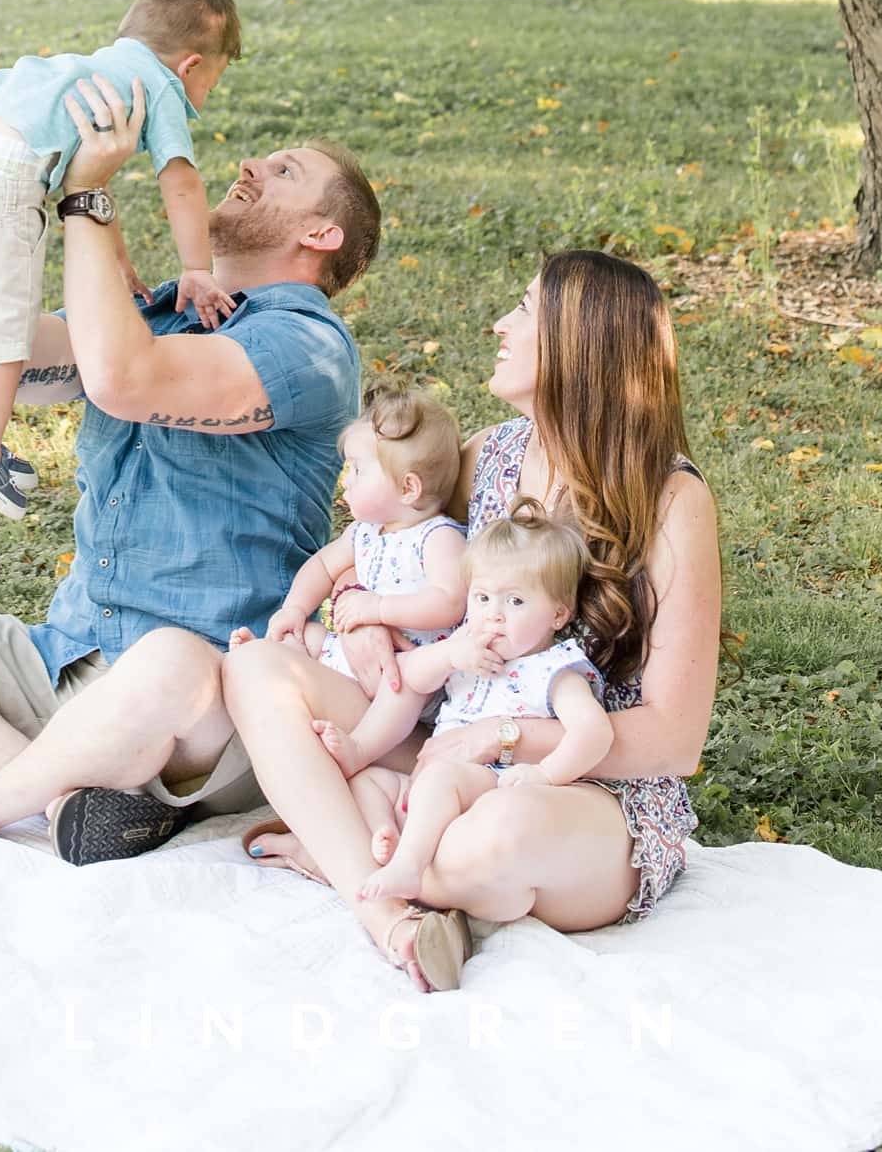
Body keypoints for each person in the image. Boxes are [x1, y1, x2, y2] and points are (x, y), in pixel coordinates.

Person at [0, 80, 382, 863]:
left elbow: (125, 380)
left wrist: (90, 200)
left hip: (199, 700)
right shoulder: (152, 313)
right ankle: (57, 794)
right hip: (67, 656)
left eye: (286, 170)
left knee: (170, 663)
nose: (251, 165)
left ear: (323, 235)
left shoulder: (307, 348)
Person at [222, 247, 720, 991]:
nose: (499, 324)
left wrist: (508, 739)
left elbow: (675, 741)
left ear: (577, 346)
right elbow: (384, 550)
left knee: (487, 844)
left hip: (584, 788)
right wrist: (362, 625)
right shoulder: (488, 456)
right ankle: (391, 912)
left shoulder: (671, 501)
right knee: (256, 665)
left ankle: (347, 855)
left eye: (522, 311)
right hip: (451, 744)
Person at [0, 0, 240, 517]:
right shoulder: (158, 86)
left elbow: (89, 181)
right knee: (4, 318)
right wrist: (196, 267)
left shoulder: (91, 68)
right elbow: (181, 181)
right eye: (212, 82)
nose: (201, 97)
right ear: (190, 65)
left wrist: (118, 262)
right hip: (2, 182)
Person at [317, 510, 613, 910]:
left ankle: (408, 866)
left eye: (516, 601)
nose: (494, 614)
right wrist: (449, 655)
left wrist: (545, 774)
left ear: (558, 614)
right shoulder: (467, 647)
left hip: (489, 784)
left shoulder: (553, 671)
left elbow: (594, 733)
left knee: (439, 782)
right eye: (483, 597)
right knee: (366, 784)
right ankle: (385, 835)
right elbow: (410, 679)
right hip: (434, 781)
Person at [260, 389, 469, 680]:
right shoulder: (364, 533)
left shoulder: (438, 538)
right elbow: (322, 565)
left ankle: (360, 720)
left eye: (358, 470)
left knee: (402, 686)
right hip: (355, 655)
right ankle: (276, 656)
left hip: (411, 666)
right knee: (300, 636)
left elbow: (450, 603)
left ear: (408, 488)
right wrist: (295, 608)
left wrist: (379, 609)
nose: (345, 481)